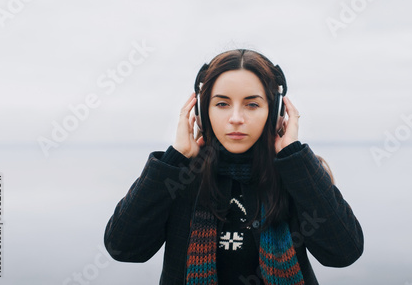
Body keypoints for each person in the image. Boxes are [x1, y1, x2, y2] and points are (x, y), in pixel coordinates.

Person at [103, 49, 363, 284]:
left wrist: (295, 158)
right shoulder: (179, 177)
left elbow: (343, 252)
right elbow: (123, 248)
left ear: (275, 113)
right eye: (222, 104)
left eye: (252, 104)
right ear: (203, 113)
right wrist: (175, 157)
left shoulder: (296, 175)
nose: (236, 118)